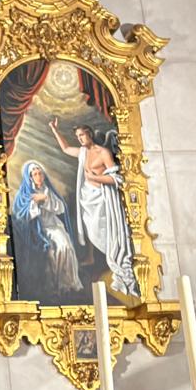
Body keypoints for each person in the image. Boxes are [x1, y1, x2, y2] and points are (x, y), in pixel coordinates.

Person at [48, 117, 136, 296]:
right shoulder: (83, 153)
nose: (80, 139)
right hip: (88, 200)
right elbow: (65, 148)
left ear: (89, 134)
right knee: (92, 231)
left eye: (82, 135)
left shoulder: (103, 152)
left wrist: (95, 178)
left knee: (107, 232)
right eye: (78, 136)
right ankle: (98, 257)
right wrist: (54, 130)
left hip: (102, 201)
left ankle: (114, 262)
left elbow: (115, 178)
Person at [9, 159, 82, 301]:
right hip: (36, 230)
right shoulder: (24, 194)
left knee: (65, 247)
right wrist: (35, 202)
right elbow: (19, 215)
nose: (38, 176)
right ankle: (53, 287)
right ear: (29, 177)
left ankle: (67, 284)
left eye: (40, 173)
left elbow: (60, 208)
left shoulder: (48, 191)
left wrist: (46, 199)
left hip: (53, 226)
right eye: (35, 174)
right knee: (51, 253)